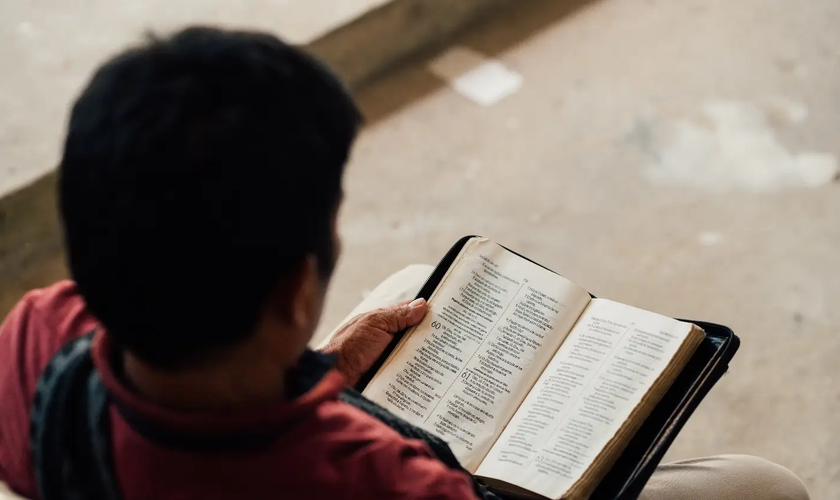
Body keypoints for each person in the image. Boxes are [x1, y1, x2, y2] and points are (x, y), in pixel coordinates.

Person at [0, 27, 808, 500]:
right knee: (766, 486)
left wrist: (316, 367)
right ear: (292, 292)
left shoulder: (37, 335)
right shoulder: (380, 478)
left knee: (409, 297)